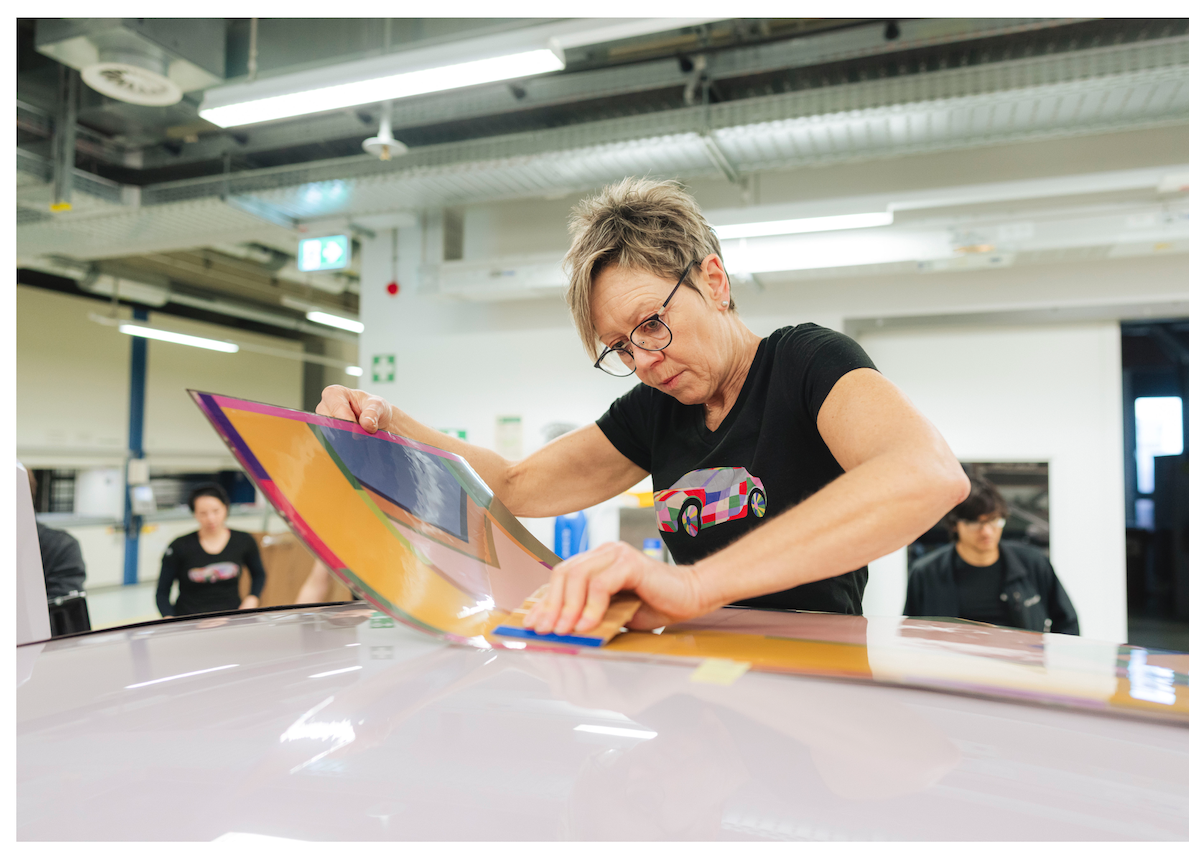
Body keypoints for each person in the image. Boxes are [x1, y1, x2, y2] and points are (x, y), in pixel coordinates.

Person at [317, 178, 967, 636]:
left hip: (822, 675)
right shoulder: (655, 410)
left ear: (714, 281)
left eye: (651, 324)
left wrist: (692, 587)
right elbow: (513, 485)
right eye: (621, 349)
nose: (645, 360)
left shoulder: (804, 364)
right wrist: (383, 419)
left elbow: (926, 474)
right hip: (709, 678)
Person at [904, 476, 1080, 635]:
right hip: (952, 668)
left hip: (1021, 667)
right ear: (955, 525)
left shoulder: (1033, 564)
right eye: (975, 522)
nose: (987, 532)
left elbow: (1067, 624)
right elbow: (910, 634)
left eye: (994, 520)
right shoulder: (926, 574)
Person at [156, 484, 266, 617]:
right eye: (203, 513)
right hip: (189, 620)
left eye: (216, 511)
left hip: (231, 619)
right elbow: (162, 592)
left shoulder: (243, 540)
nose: (211, 518)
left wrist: (252, 598)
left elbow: (259, 574)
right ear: (194, 514)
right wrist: (169, 619)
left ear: (225, 508)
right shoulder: (179, 546)